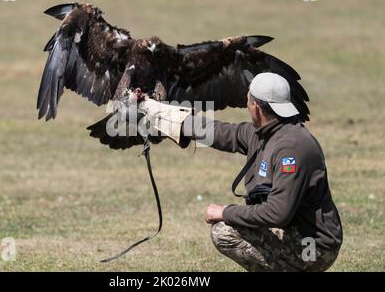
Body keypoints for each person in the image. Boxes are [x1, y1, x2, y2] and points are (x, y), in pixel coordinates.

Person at [136, 72, 343, 271]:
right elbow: (218, 132)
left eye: (248, 100)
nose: (246, 105)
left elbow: (277, 213)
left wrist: (224, 211)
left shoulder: (292, 147)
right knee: (230, 226)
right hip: (293, 231)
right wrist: (158, 113)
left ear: (256, 107)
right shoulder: (266, 132)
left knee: (224, 231)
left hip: (313, 247)